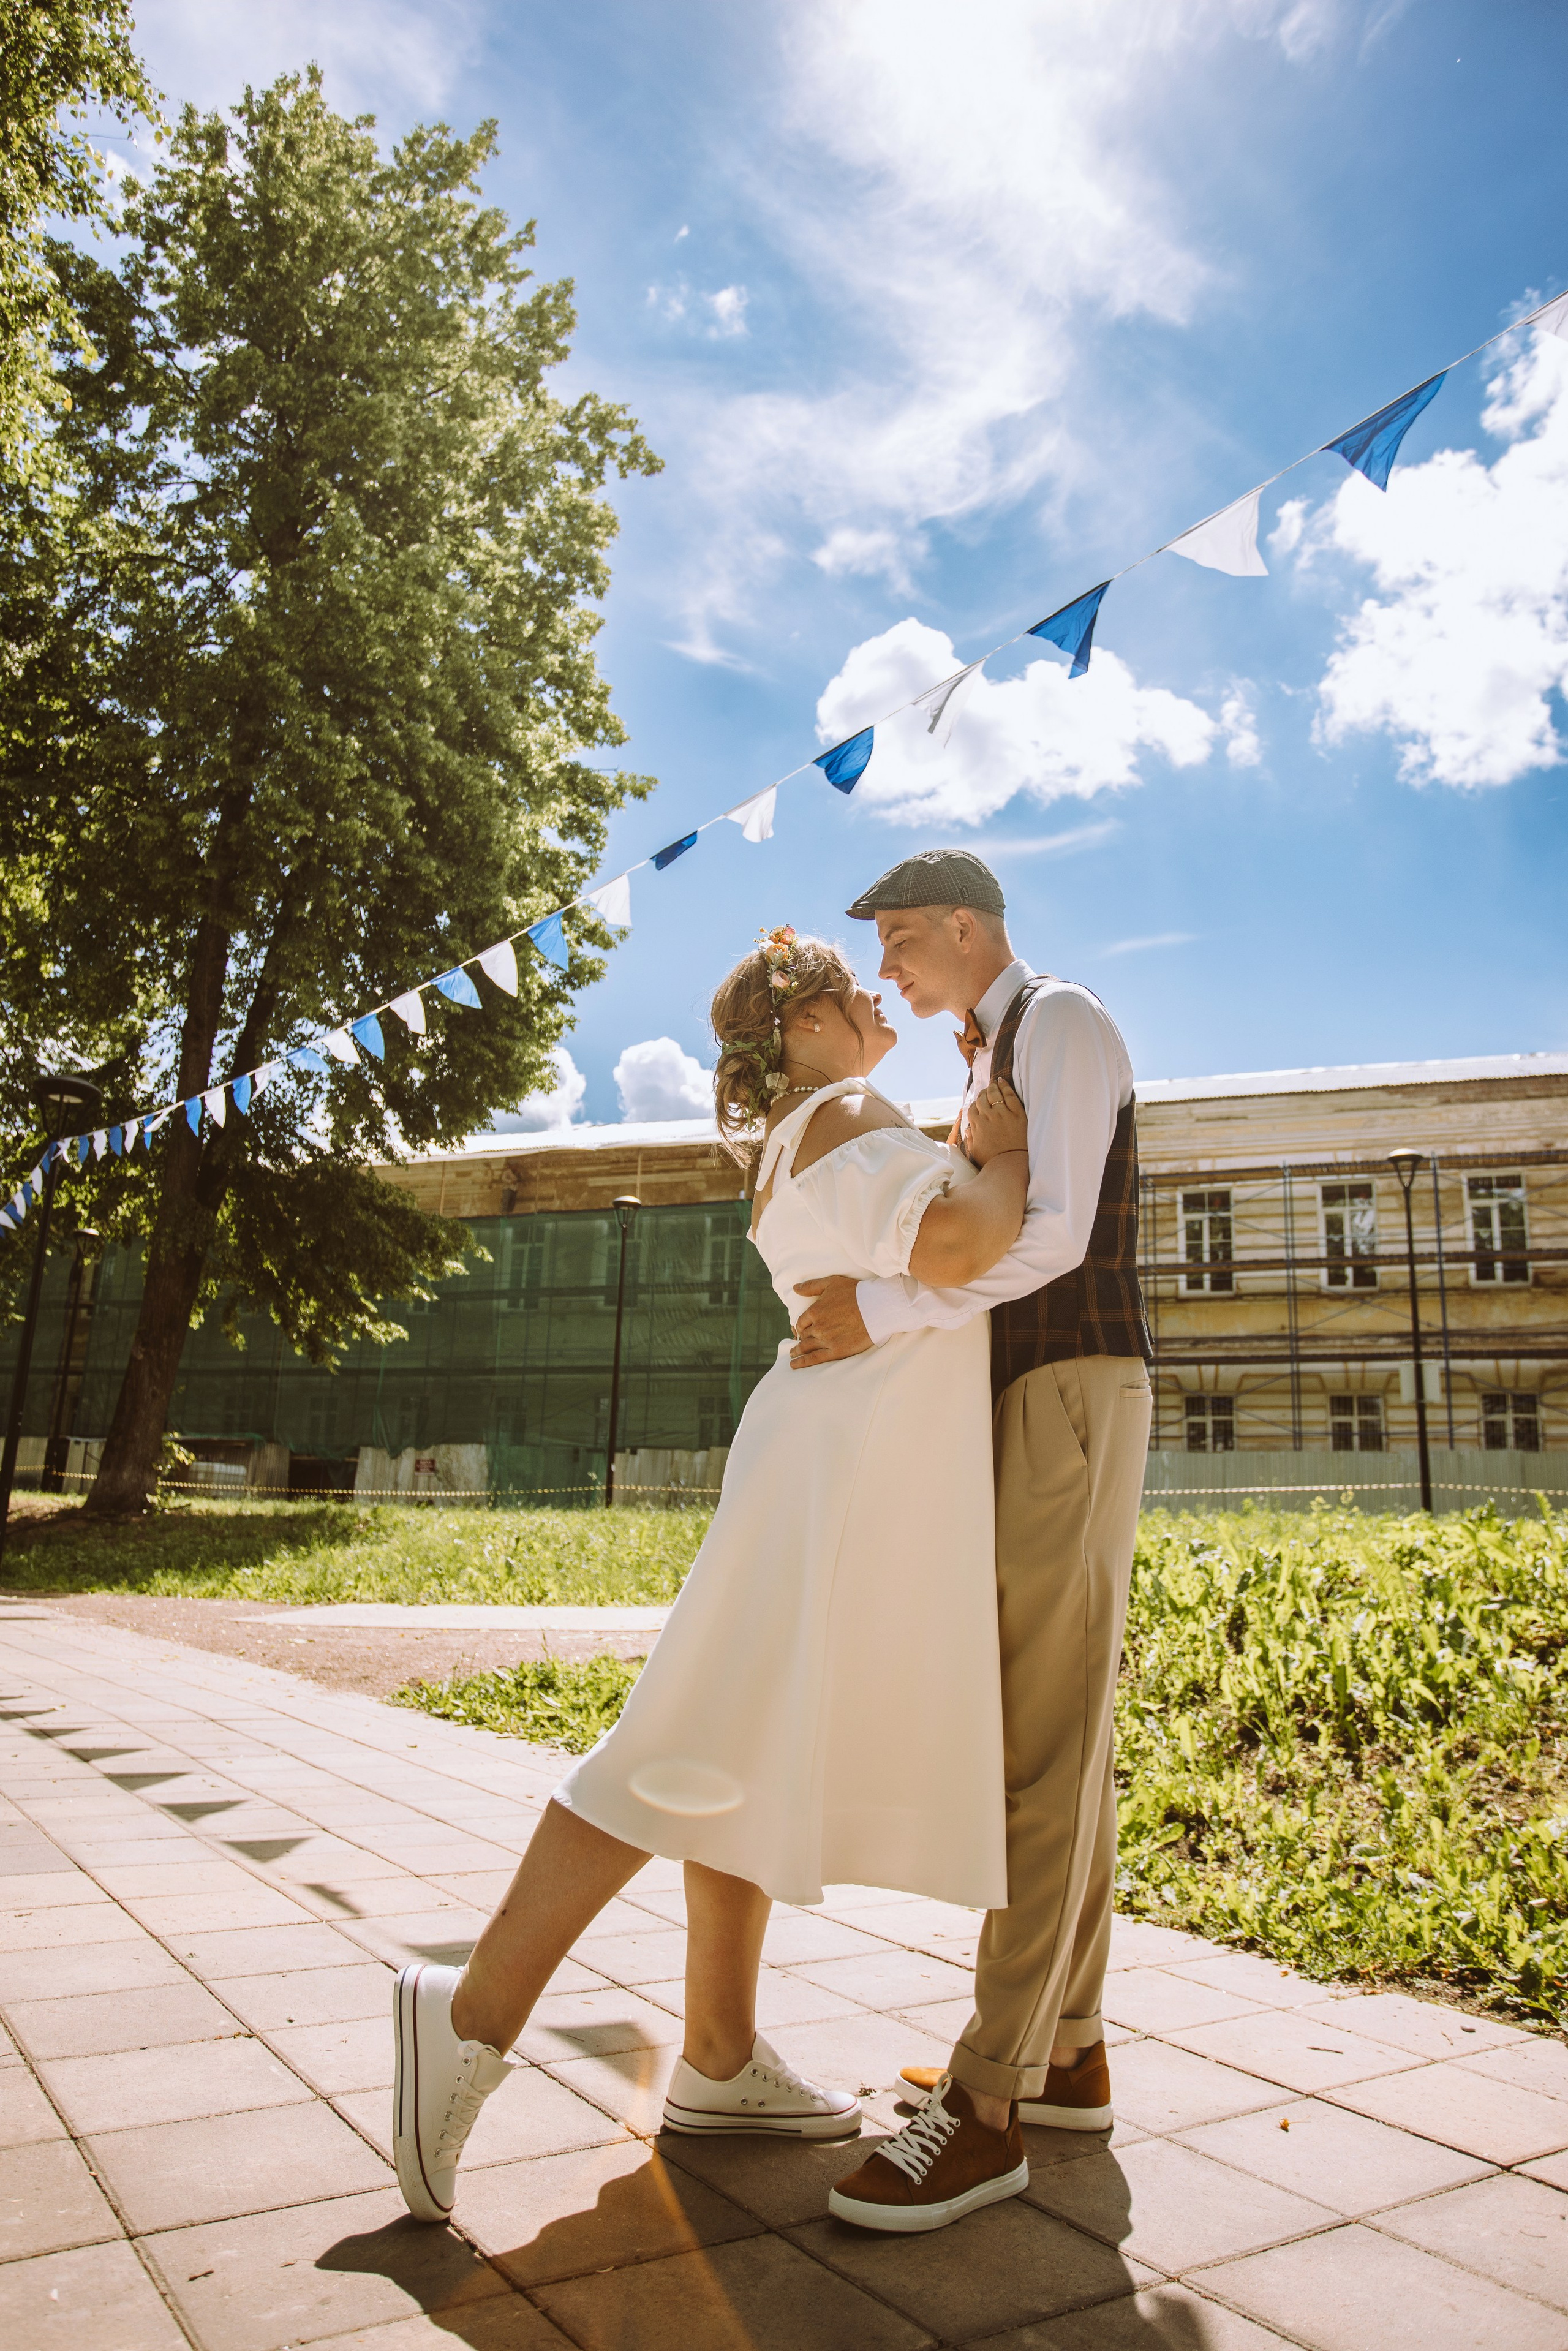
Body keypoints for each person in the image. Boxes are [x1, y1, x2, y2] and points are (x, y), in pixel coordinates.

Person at [391, 922, 1032, 2227]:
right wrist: (1005, 1139)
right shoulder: (848, 1107)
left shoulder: (807, 1129)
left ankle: (722, 2057)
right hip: (831, 1475)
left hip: (823, 1462)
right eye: (858, 993)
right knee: (680, 1742)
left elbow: (914, 1248)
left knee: (734, 1752)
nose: (880, 1007)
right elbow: (963, 1248)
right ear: (800, 1026)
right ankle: (468, 2009)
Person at [793, 850, 1155, 2237]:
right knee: (1061, 1733)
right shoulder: (996, 1048)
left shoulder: (1055, 1019)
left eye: (895, 938)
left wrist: (877, 1316)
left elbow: (1055, 1235)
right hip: (1031, 1396)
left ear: (962, 923)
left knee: (1044, 1745)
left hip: (1070, 1387)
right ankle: (1064, 2052)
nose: (884, 966)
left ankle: (987, 2100)